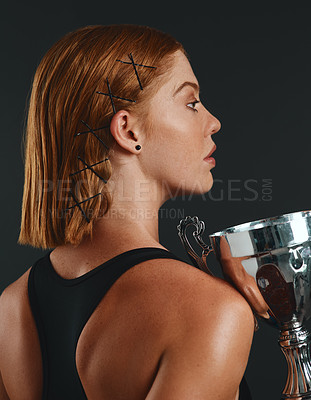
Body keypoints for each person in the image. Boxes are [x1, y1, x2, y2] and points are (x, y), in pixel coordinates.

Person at [0, 25, 254, 399]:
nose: (212, 122)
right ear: (128, 130)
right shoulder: (208, 310)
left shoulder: (10, 307)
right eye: (191, 103)